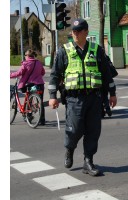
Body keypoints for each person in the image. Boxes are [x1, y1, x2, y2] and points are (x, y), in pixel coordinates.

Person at [48, 18, 117, 177]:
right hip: (74, 99)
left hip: (94, 98)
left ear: (86, 32)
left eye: (78, 31)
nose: (75, 34)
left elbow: (107, 74)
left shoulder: (97, 49)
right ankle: (69, 149)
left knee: (93, 131)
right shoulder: (63, 51)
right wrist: (52, 96)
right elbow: (54, 75)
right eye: (73, 31)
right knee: (75, 129)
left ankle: (88, 161)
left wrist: (112, 94)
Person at [10, 49, 46, 125]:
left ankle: (28, 116)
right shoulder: (39, 62)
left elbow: (19, 73)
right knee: (41, 102)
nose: (24, 57)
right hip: (40, 84)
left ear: (27, 56)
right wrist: (37, 77)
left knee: (29, 99)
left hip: (30, 84)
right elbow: (43, 72)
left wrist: (10, 75)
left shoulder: (26, 63)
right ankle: (42, 120)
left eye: (25, 55)